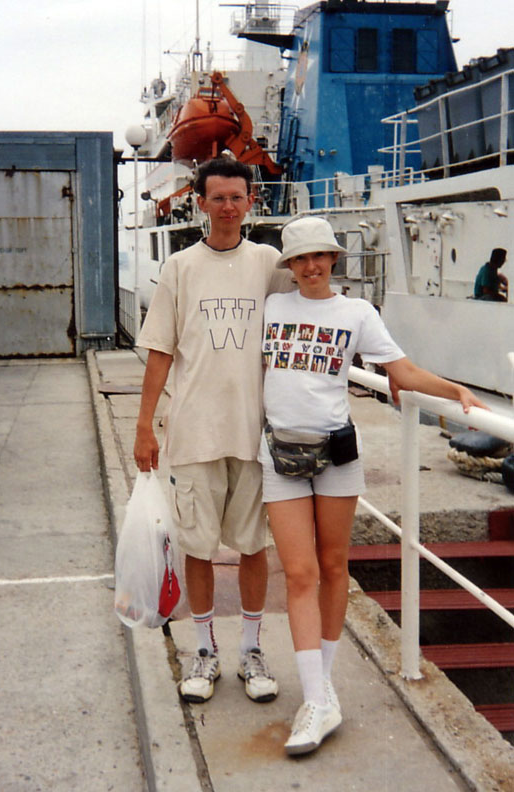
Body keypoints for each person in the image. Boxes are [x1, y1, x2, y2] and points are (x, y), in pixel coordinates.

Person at [259, 216, 489, 756]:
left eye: (319, 256)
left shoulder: (357, 313)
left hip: (336, 455)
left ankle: (322, 691)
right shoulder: (272, 307)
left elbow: (401, 372)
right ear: (289, 266)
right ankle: (316, 698)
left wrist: (454, 389)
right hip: (280, 454)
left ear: (333, 259)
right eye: (300, 258)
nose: (311, 266)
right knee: (300, 573)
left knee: (334, 565)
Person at [134, 157, 291, 705]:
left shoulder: (269, 262)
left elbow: (309, 311)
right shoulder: (180, 267)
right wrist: (145, 426)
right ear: (199, 203)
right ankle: (204, 651)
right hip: (194, 432)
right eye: (217, 197)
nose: (227, 206)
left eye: (236, 197)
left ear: (251, 202)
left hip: (253, 435)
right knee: (197, 548)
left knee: (253, 547)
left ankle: (251, 649)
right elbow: (160, 350)